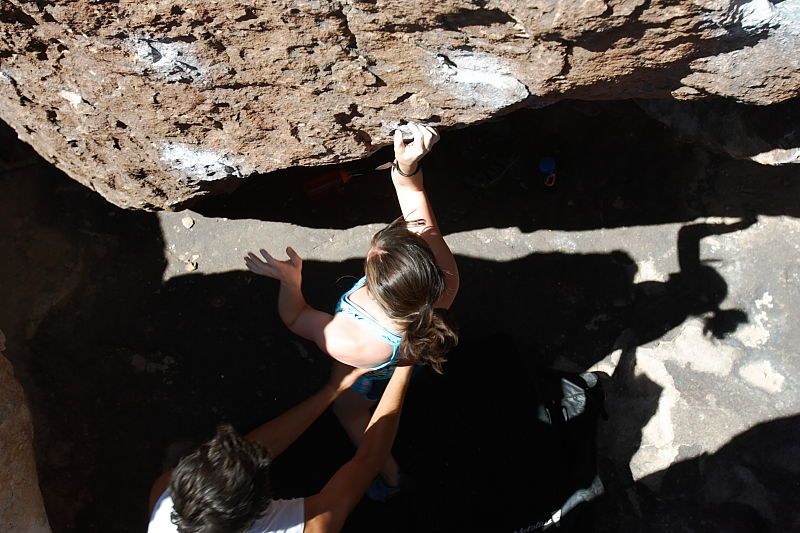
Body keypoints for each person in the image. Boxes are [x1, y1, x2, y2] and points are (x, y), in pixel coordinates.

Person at [244, 123, 459, 499]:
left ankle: (389, 473)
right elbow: (415, 204)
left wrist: (290, 283)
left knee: (351, 411)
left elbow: (296, 318)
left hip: (372, 367)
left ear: (377, 288)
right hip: (410, 344)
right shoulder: (444, 277)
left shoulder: (350, 341)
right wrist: (407, 165)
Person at [147, 361, 414, 533]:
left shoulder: (166, 494)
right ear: (258, 508)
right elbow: (367, 462)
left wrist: (332, 390)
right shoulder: (312, 527)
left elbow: (254, 448)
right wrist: (405, 366)